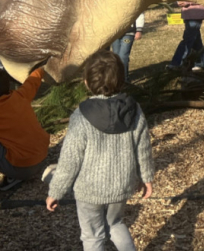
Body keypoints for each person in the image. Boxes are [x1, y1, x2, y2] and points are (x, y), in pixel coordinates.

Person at [46, 50, 154, 251]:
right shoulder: (134, 109)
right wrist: (146, 177)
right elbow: (143, 147)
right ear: (122, 80)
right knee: (116, 223)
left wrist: (56, 191)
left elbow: (70, 160)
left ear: (86, 82)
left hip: (89, 190)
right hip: (121, 186)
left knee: (93, 236)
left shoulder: (81, 116)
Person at [0, 67, 49, 190]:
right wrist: (42, 68)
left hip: (22, 168)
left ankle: (15, 176)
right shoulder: (20, 95)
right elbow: (34, 79)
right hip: (42, 157)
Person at [167, 1, 204, 70]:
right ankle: (202, 62)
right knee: (196, 41)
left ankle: (177, 63)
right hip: (188, 14)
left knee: (187, 40)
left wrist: (187, 2)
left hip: (196, 14)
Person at [111, 13, 144, 81]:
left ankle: (124, 79)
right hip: (115, 33)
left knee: (123, 56)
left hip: (128, 33)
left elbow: (139, 12)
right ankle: (117, 78)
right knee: (116, 56)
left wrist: (139, 30)